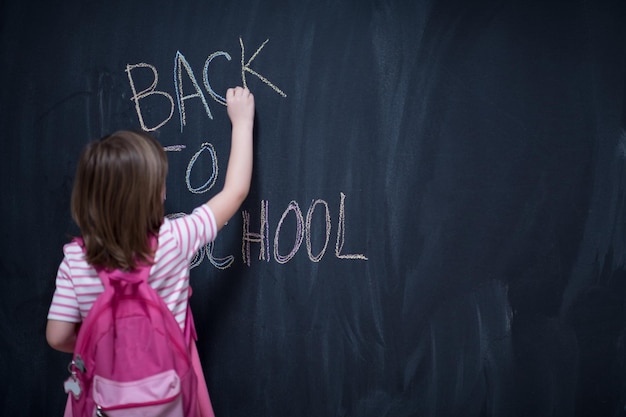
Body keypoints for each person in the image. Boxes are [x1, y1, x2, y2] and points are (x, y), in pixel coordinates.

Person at [46, 86, 255, 417]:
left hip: (106, 399)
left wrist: (111, 347)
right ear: (153, 195)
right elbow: (236, 191)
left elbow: (57, 336)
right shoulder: (176, 238)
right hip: (167, 395)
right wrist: (242, 123)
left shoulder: (76, 259)